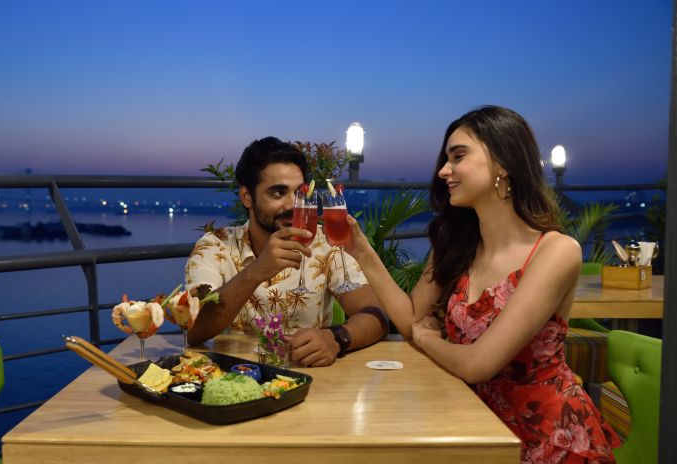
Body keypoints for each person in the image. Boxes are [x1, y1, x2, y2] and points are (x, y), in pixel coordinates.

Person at [342, 106, 620, 462]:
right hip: (471, 424)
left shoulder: (555, 251)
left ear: (503, 163)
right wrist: (362, 251)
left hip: (546, 439)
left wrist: (427, 337)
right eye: (446, 159)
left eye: (458, 156)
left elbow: (477, 365)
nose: (444, 170)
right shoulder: (456, 245)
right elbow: (411, 316)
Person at [186, 136, 388, 367]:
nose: (293, 204)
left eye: (299, 192)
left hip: (310, 375)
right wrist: (257, 271)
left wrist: (336, 338)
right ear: (247, 197)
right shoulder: (214, 246)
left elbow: (375, 314)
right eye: (278, 193)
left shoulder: (326, 243)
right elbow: (195, 330)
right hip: (234, 376)